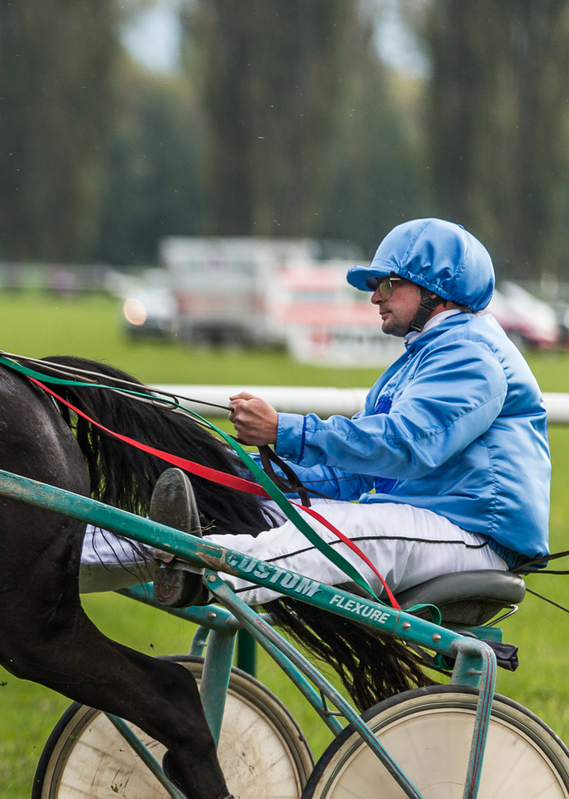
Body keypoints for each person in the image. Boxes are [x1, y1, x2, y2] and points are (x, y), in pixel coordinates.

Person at [82, 217, 551, 607]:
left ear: (436, 289)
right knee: (260, 515)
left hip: (474, 536)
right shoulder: (420, 359)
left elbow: (406, 447)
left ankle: (197, 567)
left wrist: (284, 430)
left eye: (386, 283)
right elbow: (353, 474)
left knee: (341, 532)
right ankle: (67, 554)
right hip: (425, 520)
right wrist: (251, 477)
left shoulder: (472, 354)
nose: (374, 296)